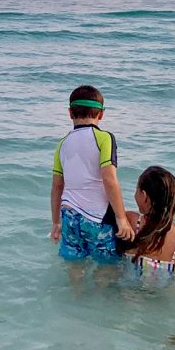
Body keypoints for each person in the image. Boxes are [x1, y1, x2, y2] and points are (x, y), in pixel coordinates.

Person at [49, 85, 134, 264]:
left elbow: (57, 186)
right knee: (105, 269)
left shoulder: (62, 144)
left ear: (70, 113)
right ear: (101, 114)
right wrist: (121, 218)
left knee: (74, 265)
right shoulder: (105, 138)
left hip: (69, 216)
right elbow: (109, 179)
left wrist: (56, 222)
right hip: (98, 217)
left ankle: (76, 293)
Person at [118, 165, 175, 276]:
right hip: (168, 293)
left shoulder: (130, 222)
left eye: (136, 190)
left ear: (144, 196)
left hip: (127, 292)